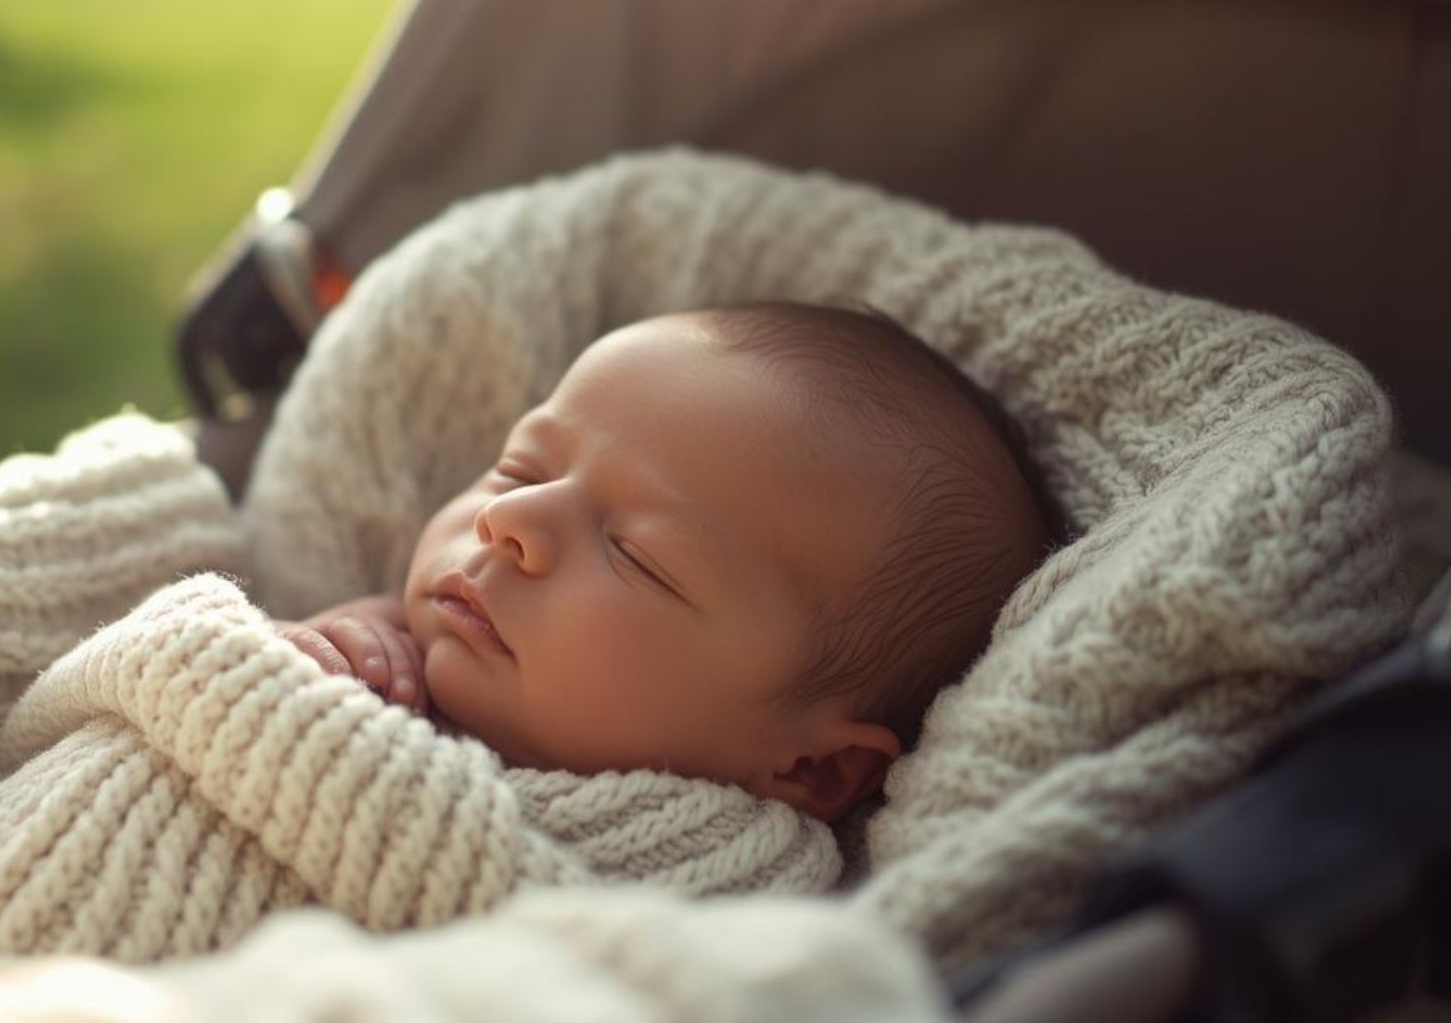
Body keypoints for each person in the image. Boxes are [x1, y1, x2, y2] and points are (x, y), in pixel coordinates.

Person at [277, 300, 1056, 822]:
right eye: (522, 470)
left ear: (811, 770)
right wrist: (311, 648)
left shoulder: (725, 895)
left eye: (639, 558)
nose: (507, 520)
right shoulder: (374, 662)